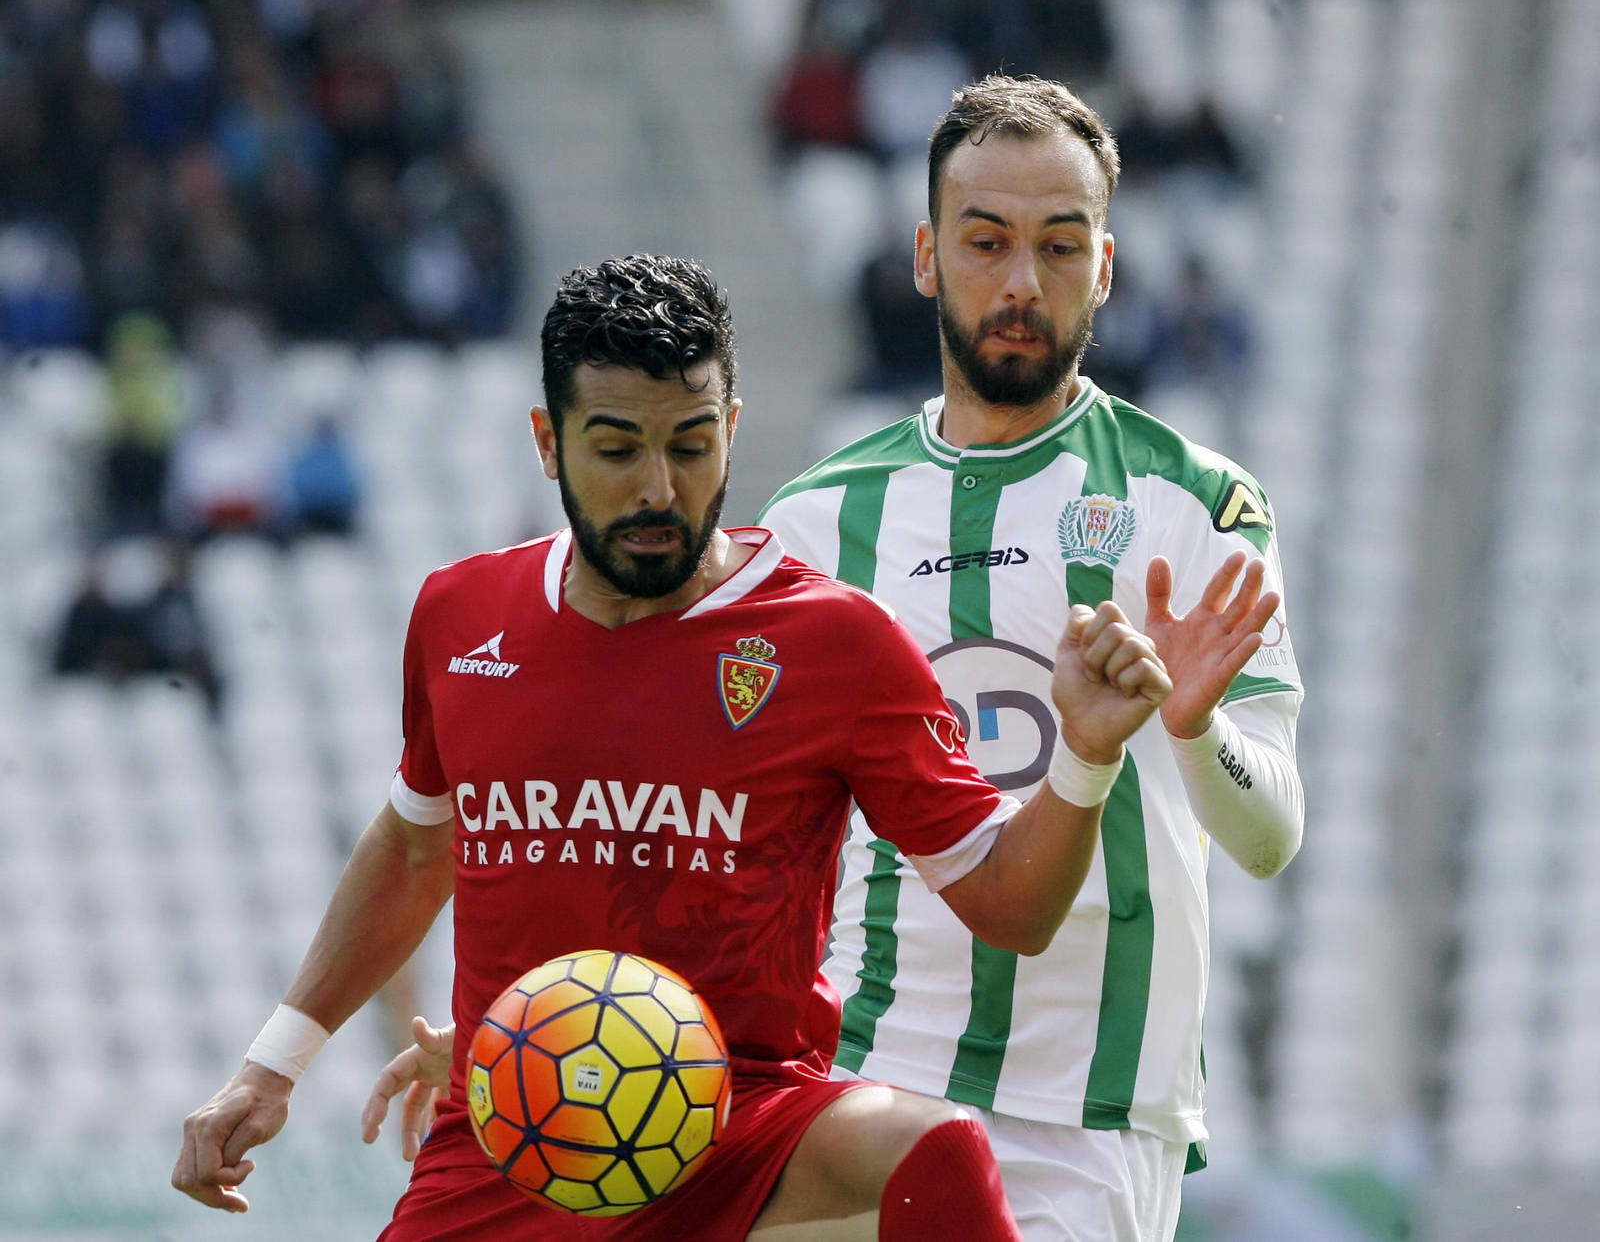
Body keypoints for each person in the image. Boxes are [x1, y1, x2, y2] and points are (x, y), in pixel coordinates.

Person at [363, 79, 1303, 1242]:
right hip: (846, 1089)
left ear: (1104, 266)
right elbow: (693, 829)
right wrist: (551, 1022)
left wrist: (1195, 732)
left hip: (1085, 1106)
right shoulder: (815, 519)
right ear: (924, 255)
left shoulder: (1191, 503)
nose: (1021, 282)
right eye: (985, 241)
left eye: (1060, 246)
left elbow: (1270, 836)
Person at [174, 253, 1179, 1240]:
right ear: (548, 441)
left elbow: (1013, 903)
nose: (659, 488)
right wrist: (274, 1061)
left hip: (739, 1122)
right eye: (617, 449)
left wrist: (1084, 758)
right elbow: (413, 846)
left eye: (692, 444)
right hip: (515, 1139)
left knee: (934, 1150)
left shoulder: (836, 642)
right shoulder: (459, 615)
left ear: (732, 429)